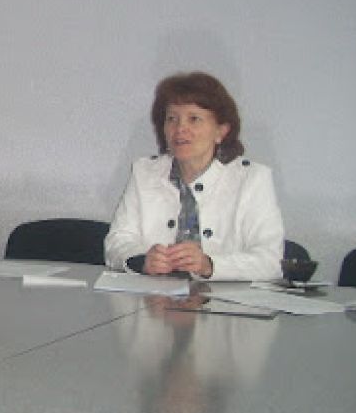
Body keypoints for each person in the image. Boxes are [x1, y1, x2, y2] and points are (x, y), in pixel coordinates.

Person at [104, 72, 284, 281]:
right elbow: (116, 242)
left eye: (194, 119)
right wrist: (142, 260)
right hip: (153, 296)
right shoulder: (144, 172)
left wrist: (209, 265)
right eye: (172, 119)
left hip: (225, 300)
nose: (180, 129)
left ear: (221, 131)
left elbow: (270, 261)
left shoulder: (252, 179)